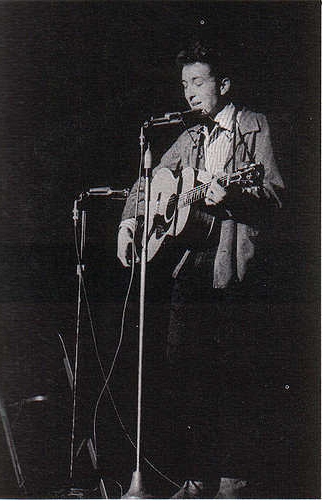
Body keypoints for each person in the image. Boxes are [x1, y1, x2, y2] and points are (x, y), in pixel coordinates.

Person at [117, 41, 284, 498]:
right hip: (192, 264)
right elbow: (148, 181)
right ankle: (196, 476)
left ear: (223, 84)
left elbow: (273, 196)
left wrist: (229, 197)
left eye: (198, 82)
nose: (189, 92)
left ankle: (232, 479)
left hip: (234, 264)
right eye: (185, 84)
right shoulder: (191, 136)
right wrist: (131, 219)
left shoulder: (254, 126)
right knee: (183, 368)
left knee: (230, 373)